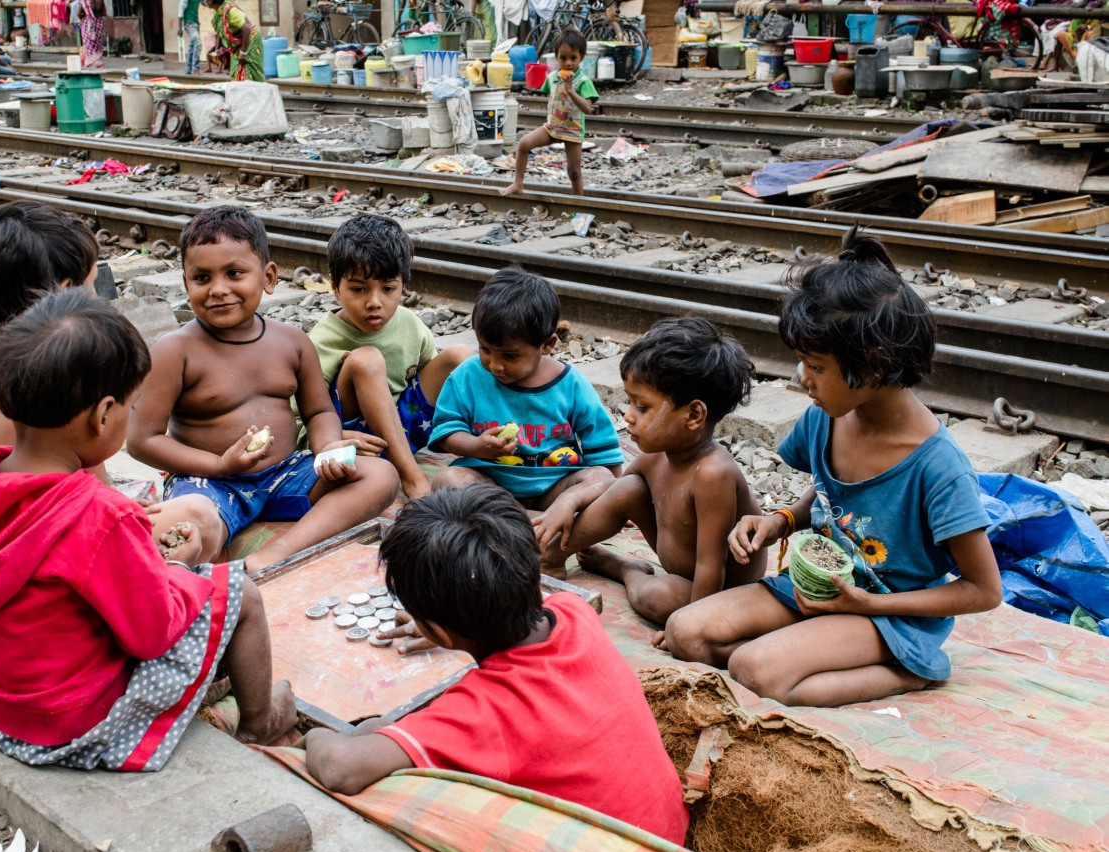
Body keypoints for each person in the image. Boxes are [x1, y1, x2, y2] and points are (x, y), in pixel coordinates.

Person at [0, 291, 297, 769]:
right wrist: (176, 572)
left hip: (5, 711)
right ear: (103, 415)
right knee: (239, 594)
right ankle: (263, 725)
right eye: (130, 408)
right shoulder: (96, 516)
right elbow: (151, 635)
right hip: (80, 723)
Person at [667, 229, 1003, 708]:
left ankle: (910, 674)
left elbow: (984, 590)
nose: (801, 378)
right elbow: (829, 495)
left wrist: (868, 604)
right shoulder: (828, 416)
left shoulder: (940, 469)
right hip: (816, 589)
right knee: (685, 630)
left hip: (887, 614)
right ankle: (801, 652)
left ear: (872, 365)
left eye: (814, 365)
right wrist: (779, 521)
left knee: (753, 669)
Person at [0, 201, 218, 642]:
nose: (97, 300)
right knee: (199, 516)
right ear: (65, 295)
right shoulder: (58, 385)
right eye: (91, 288)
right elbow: (100, 503)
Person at [303, 485, 690, 843]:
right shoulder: (573, 611)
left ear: (440, 631)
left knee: (380, 750)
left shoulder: (482, 711)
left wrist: (315, 736)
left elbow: (342, 768)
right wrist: (447, 632)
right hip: (665, 837)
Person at [127, 206, 400, 573]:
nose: (219, 289)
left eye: (235, 273)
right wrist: (219, 466)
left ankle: (277, 553)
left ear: (268, 277)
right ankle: (200, 562)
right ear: (186, 283)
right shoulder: (174, 351)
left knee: (380, 476)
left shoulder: (292, 342)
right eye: (202, 278)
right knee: (188, 521)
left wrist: (327, 449)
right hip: (209, 483)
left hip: (287, 473)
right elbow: (142, 440)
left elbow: (318, 412)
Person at [534, 318, 769, 641]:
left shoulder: (713, 475)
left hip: (718, 588)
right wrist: (569, 500)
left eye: (642, 407)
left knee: (657, 596)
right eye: (630, 402)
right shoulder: (658, 454)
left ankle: (625, 570)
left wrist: (689, 627)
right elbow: (613, 493)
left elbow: (711, 568)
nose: (628, 415)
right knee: (629, 488)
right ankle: (553, 553)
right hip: (678, 559)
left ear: (693, 415)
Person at [428, 266, 623, 511]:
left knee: (601, 479)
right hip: (490, 490)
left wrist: (614, 500)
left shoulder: (571, 385)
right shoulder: (466, 377)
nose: (495, 365)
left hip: (555, 491)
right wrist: (476, 446)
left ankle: (519, 523)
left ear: (547, 345)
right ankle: (523, 521)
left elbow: (603, 448)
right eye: (485, 349)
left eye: (510, 356)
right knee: (448, 481)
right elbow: (446, 433)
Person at [308, 216, 473, 500]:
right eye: (359, 289)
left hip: (406, 429)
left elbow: (429, 382)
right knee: (366, 360)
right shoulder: (319, 342)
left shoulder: (410, 323)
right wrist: (331, 440)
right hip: (360, 441)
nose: (375, 302)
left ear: (402, 286)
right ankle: (412, 479)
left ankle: (500, 449)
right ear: (335, 287)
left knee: (460, 355)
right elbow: (298, 418)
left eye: (388, 289)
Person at [501, 29, 597, 197]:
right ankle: (518, 184)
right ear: (557, 58)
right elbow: (547, 90)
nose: (568, 63)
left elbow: (587, 108)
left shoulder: (584, 82)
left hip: (572, 131)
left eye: (573, 58)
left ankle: (579, 204)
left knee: (574, 171)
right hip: (552, 127)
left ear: (581, 57)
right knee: (523, 143)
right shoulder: (552, 77)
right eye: (563, 58)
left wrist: (570, 90)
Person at [203, 0, 262, 81]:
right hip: (236, 45)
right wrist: (218, 49)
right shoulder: (217, 11)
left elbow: (246, 29)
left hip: (249, 40)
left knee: (249, 72)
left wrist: (243, 52)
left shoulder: (230, 11)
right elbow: (221, 30)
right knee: (236, 71)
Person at [176, 0, 202, 74]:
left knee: (192, 46)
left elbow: (206, 3)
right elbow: (181, 9)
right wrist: (179, 28)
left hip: (196, 23)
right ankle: (196, 68)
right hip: (189, 23)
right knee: (198, 42)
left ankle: (187, 69)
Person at [78, 0, 105, 68]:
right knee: (98, 45)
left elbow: (78, 13)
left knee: (89, 45)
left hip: (88, 26)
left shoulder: (84, 1)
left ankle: (90, 63)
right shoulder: (100, 1)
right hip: (98, 25)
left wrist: (83, 16)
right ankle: (98, 62)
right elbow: (104, 13)